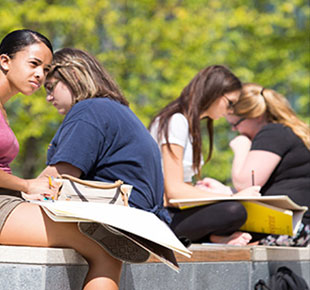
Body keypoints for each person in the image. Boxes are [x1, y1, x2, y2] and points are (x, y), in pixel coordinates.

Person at [0, 30, 124, 290]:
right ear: (5, 61)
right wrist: (27, 185)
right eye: (34, 64)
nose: (41, 75)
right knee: (104, 246)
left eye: (46, 68)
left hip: (0, 202)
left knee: (104, 238)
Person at [38, 47, 171, 257]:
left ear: (73, 75)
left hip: (120, 219)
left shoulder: (88, 111)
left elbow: (56, 180)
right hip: (146, 220)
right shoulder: (114, 109)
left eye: (50, 87)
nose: (48, 97)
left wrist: (11, 197)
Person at [149, 65, 261, 245]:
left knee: (247, 216)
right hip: (162, 216)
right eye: (230, 103)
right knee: (235, 211)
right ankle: (214, 237)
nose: (230, 111)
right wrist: (233, 197)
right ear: (214, 93)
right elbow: (174, 191)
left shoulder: (188, 125)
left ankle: (214, 237)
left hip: (174, 212)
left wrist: (206, 191)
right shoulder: (176, 121)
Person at [227, 83, 310, 246]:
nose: (235, 130)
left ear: (256, 116)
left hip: (290, 228)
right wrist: (223, 191)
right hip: (298, 226)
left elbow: (245, 183)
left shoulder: (272, 132)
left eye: (236, 124)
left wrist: (241, 148)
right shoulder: (288, 131)